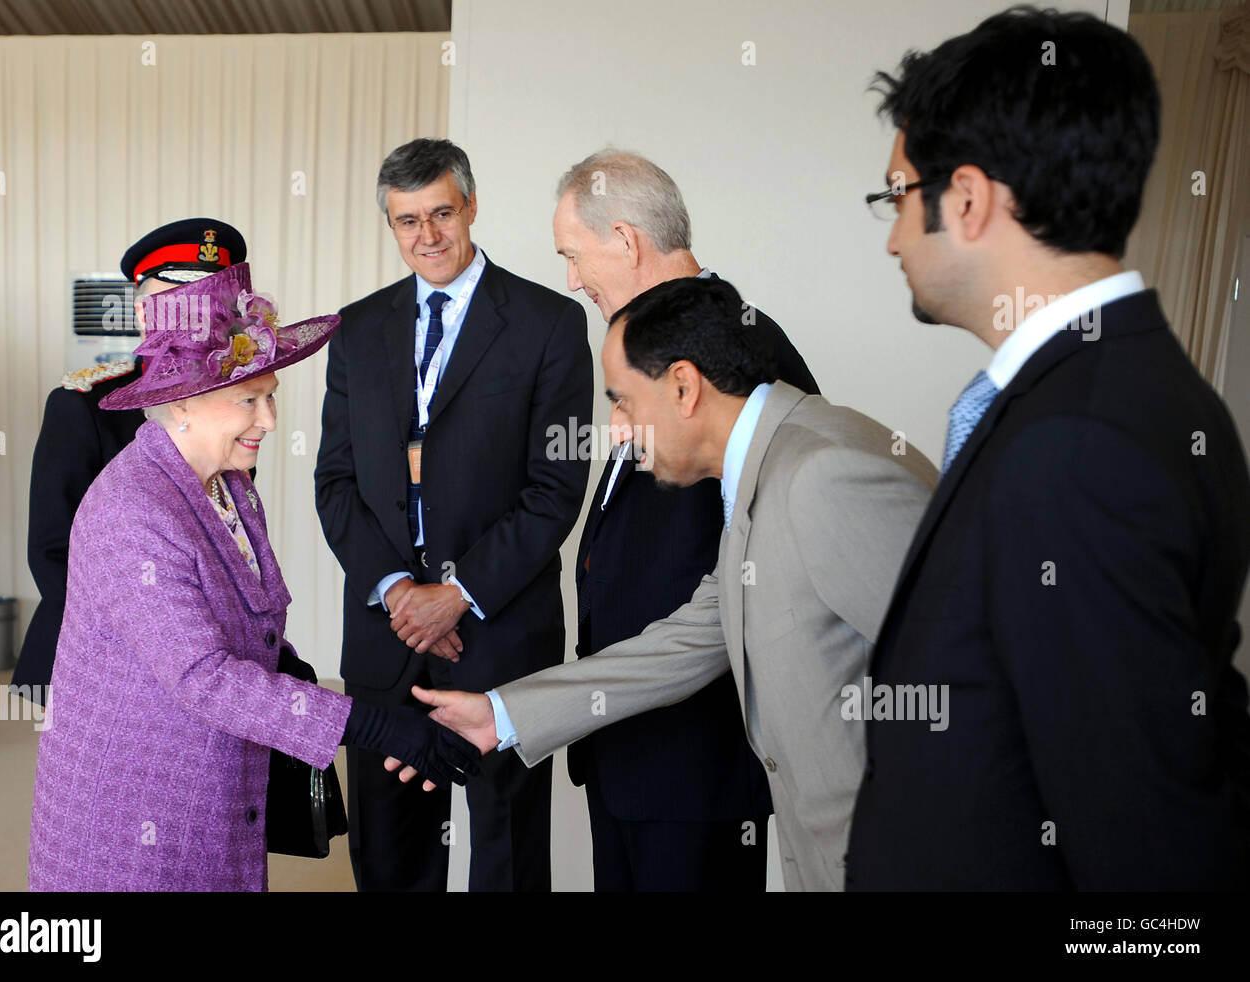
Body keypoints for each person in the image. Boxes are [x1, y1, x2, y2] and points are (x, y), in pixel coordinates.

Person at [844, 6, 1250, 890]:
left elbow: (1147, 857)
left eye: (898, 194)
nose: (892, 236)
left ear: (971, 198)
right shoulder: (1113, 391)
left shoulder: (1079, 443)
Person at [394, 276, 938, 891]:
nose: (617, 430)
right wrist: (502, 715)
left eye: (622, 402)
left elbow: (965, 678)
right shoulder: (767, 471)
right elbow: (689, 641)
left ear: (683, 387)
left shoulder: (824, 474)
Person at [28, 263, 479, 892]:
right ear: (180, 401)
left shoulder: (227, 485)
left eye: (272, 396)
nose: (269, 420)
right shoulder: (134, 510)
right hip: (136, 818)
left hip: (214, 792)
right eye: (249, 400)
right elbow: (204, 678)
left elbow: (248, 628)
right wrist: (372, 726)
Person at [314, 138, 592, 891]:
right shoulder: (357, 330)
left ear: (471, 205)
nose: (427, 236)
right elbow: (335, 482)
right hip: (386, 634)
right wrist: (400, 591)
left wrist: (457, 594)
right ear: (391, 227)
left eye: (441, 213)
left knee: (506, 855)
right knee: (389, 855)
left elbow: (555, 488)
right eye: (407, 221)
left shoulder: (550, 323)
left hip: (498, 633)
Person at [551, 150, 818, 890]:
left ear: (627, 241)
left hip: (696, 765)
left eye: (574, 255)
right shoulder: (650, 349)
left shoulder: (744, 347)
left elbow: (762, 572)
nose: (572, 279)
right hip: (632, 755)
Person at [13, 218, 247, 705]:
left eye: (212, 302)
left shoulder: (235, 401)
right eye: (178, 303)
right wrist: (149, 645)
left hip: (206, 651)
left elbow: (230, 529)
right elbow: (53, 550)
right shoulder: (82, 403)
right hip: (103, 648)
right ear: (143, 312)